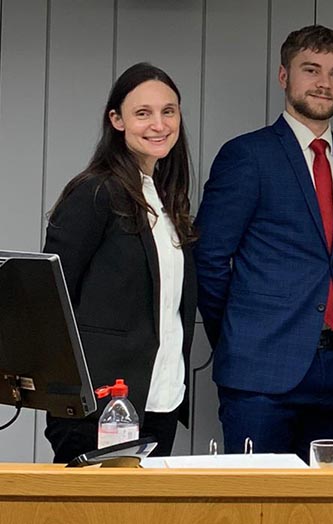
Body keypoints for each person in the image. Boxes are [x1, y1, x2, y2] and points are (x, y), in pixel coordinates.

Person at [194, 25, 333, 459]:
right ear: (283, 76)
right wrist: (240, 335)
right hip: (260, 371)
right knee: (257, 505)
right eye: (310, 70)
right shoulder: (247, 156)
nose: (324, 83)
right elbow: (209, 258)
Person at [43, 63, 197, 463]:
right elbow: (50, 300)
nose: (158, 124)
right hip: (100, 407)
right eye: (142, 113)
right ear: (117, 120)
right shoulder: (95, 192)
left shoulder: (167, 199)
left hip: (161, 400)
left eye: (169, 111)